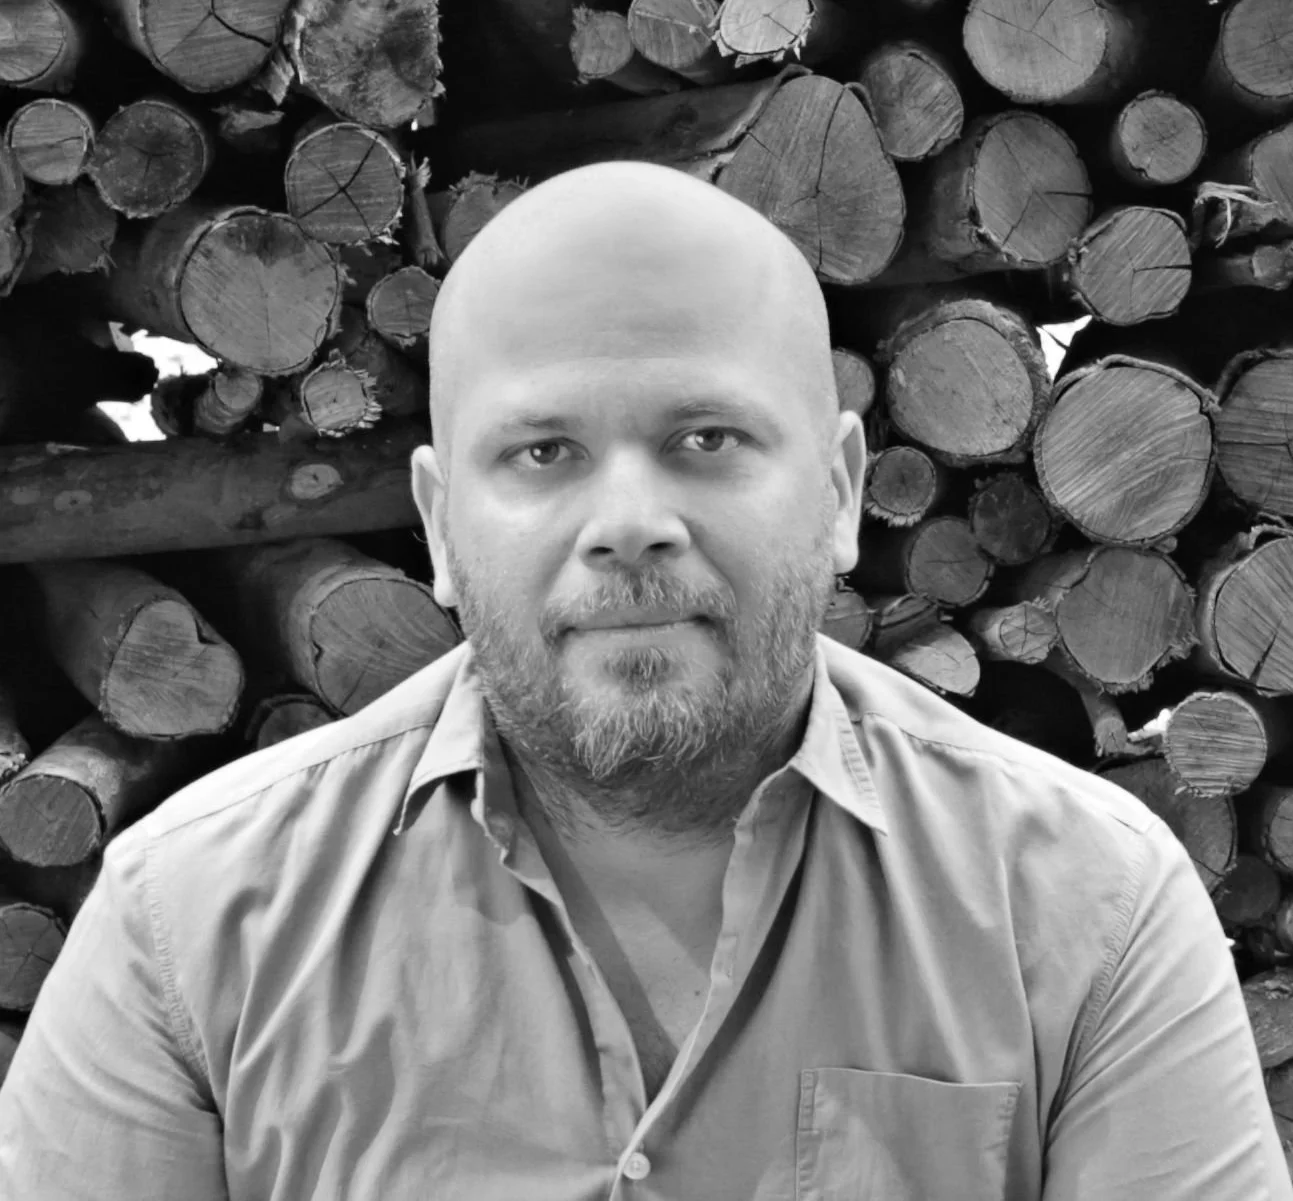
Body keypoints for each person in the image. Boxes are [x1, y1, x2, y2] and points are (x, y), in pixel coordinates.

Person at [0, 160, 1286, 1201]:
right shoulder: (191, 926)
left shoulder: (1088, 907)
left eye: (705, 438)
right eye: (545, 449)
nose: (630, 520)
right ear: (443, 530)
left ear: (841, 492)